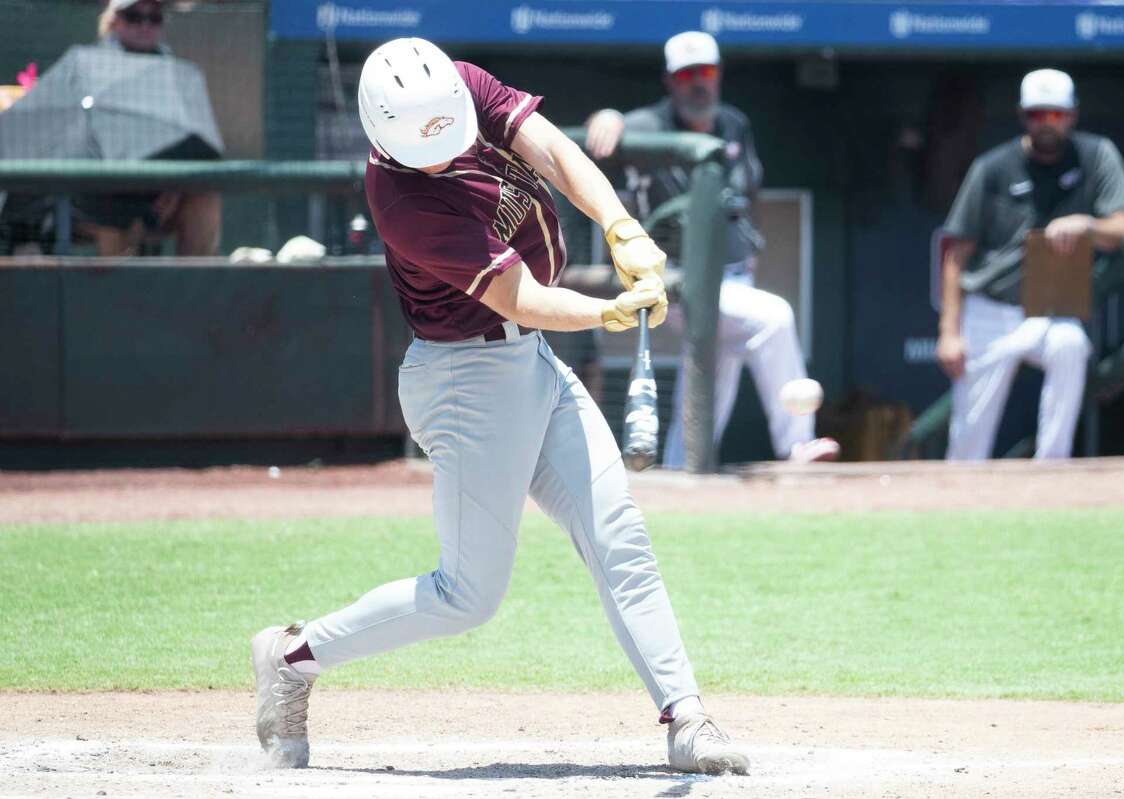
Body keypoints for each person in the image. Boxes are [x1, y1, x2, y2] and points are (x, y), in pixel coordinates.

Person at [250, 38, 750, 777]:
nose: (446, 153)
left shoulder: (453, 85)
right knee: (467, 595)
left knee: (620, 536)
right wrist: (609, 311)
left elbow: (552, 150)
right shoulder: (402, 201)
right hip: (465, 380)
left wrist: (621, 226)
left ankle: (686, 717)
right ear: (384, 132)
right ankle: (293, 656)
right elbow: (523, 299)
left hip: (528, 362)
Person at [585, 31, 840, 468]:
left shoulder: (734, 123)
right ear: (670, 81)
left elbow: (750, 192)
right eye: (686, 75)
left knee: (709, 382)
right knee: (774, 318)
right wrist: (606, 115)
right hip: (679, 282)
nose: (697, 84)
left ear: (718, 74)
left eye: (704, 72)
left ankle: (680, 470)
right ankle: (796, 445)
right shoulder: (650, 125)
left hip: (733, 276)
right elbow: (600, 134)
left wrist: (751, 248)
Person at [937, 68, 1124, 460]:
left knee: (1071, 345)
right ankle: (960, 498)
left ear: (1073, 114)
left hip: (1051, 309)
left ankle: (1052, 470)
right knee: (969, 438)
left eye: (1056, 114)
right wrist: (949, 331)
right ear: (1022, 116)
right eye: (1037, 114)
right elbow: (956, 252)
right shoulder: (992, 168)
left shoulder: (1095, 155)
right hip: (991, 309)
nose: (1047, 123)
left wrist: (1088, 225)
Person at [74, 0, 221, 256]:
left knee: (204, 197)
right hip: (104, 191)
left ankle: (195, 291)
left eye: (154, 18)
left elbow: (191, 138)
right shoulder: (88, 65)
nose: (144, 25)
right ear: (114, 21)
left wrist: (174, 186)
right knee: (113, 209)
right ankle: (116, 292)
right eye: (133, 16)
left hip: (164, 189)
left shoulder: (174, 70)